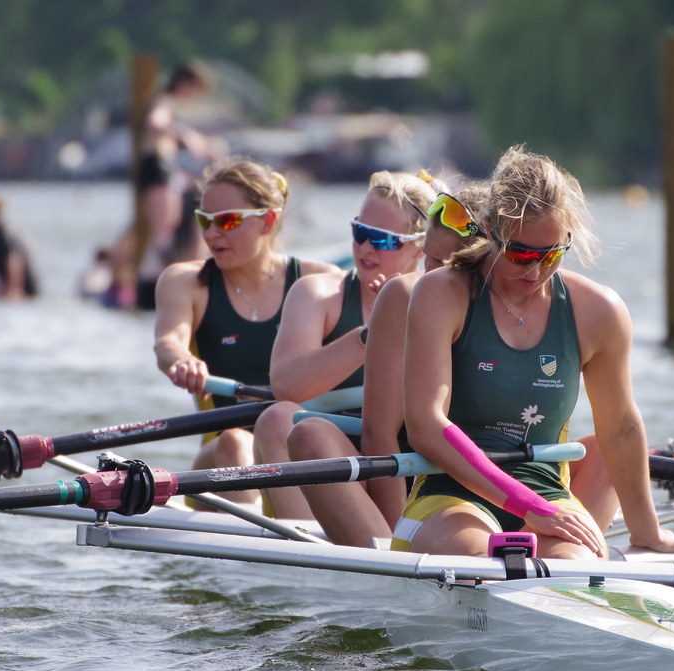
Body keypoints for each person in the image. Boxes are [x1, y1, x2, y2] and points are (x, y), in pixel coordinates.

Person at [392, 145, 674, 559]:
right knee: (483, 560)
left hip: (546, 492)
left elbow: (621, 428)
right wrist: (526, 507)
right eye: (519, 253)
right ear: (488, 228)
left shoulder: (599, 312)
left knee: (574, 569)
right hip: (448, 492)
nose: (534, 271)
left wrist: (648, 533)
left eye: (552, 254)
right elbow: (426, 425)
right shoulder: (441, 294)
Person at [286, 183, 488, 546]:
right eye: (360, 233)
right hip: (412, 481)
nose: (430, 272)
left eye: (442, 264)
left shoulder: (522, 306)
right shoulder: (403, 296)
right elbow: (379, 435)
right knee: (293, 425)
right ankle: (380, 544)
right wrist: (400, 538)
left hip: (485, 480)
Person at [152, 156, 337, 505]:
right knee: (236, 441)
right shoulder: (185, 282)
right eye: (204, 221)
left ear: (268, 221)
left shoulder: (322, 281)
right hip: (221, 457)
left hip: (301, 448)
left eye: (227, 221)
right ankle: (260, 541)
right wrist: (181, 360)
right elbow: (168, 341)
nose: (211, 234)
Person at [252, 171, 436, 520]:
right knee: (277, 418)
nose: (366, 248)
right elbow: (287, 385)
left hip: (407, 456)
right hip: (327, 452)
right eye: (361, 232)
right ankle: (307, 543)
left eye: (383, 240)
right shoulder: (317, 293)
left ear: (421, 246)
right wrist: (373, 332)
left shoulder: (441, 301)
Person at [136, 61, 222, 310]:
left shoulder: (167, 103)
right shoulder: (163, 101)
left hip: (167, 170)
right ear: (185, 84)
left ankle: (155, 283)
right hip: (157, 169)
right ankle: (147, 287)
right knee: (162, 233)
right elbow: (156, 123)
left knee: (169, 227)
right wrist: (186, 135)